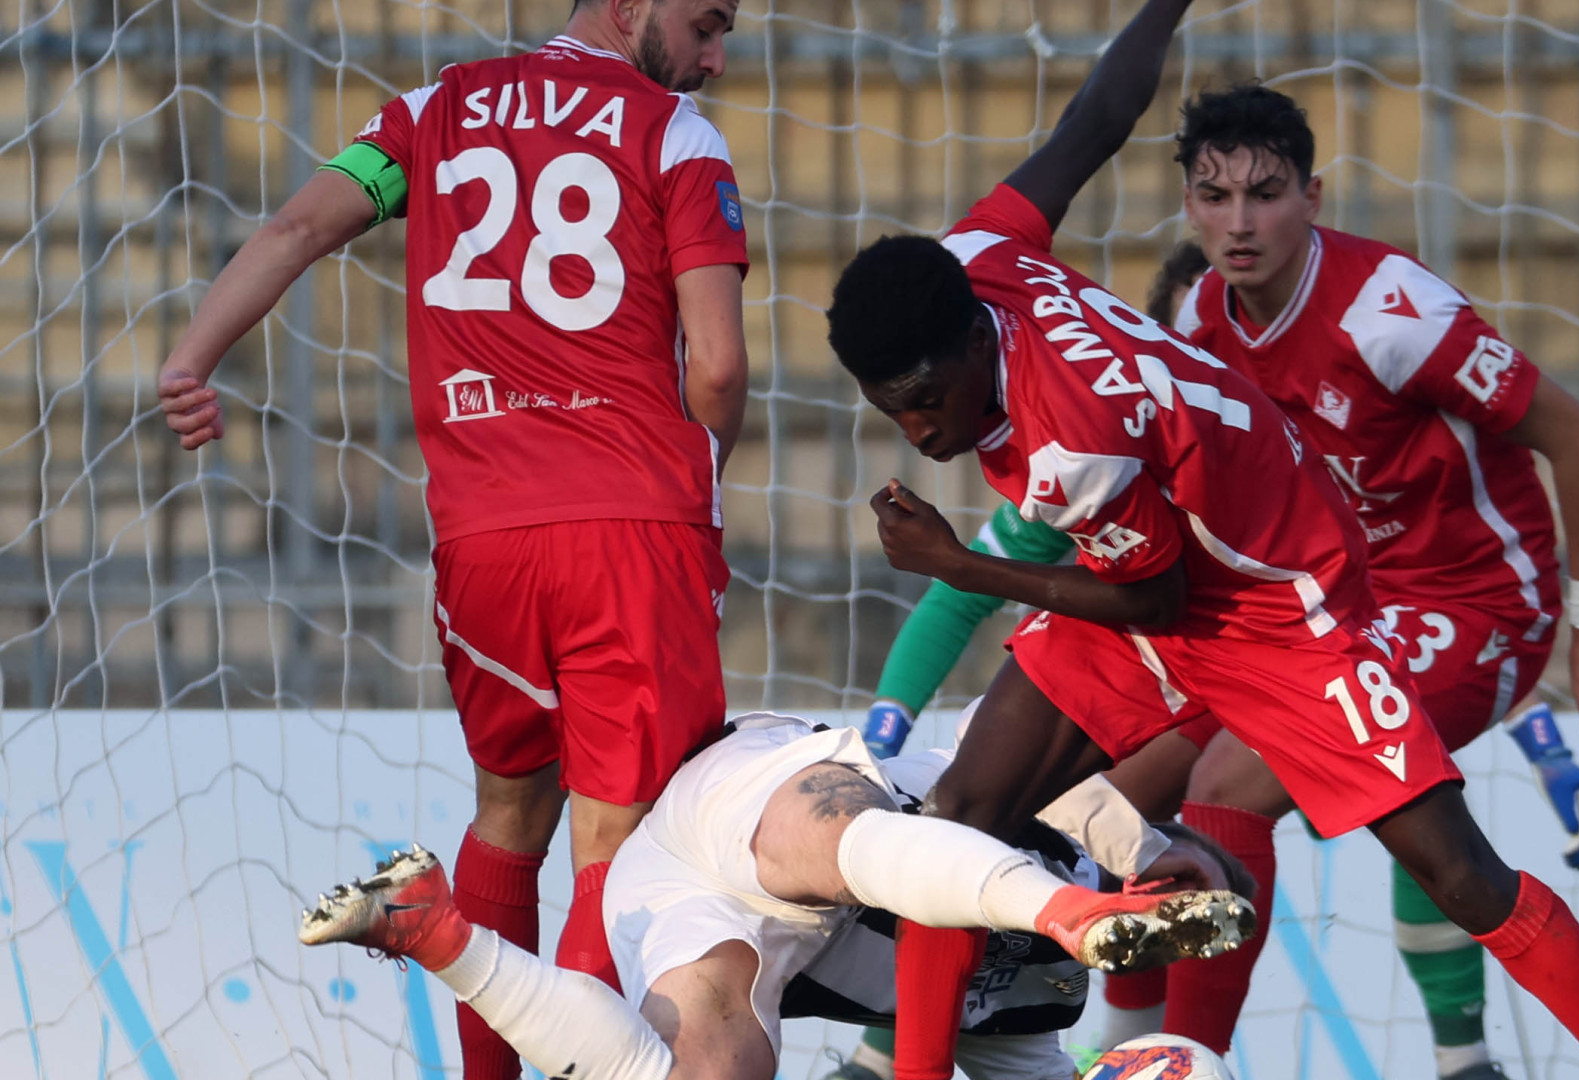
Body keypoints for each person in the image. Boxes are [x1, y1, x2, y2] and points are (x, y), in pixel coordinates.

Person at [822, 0, 1579, 1076]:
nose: (916, 432)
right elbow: (1095, 120)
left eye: (923, 402)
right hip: (1192, 578)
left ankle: (1576, 1065)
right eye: (1214, 197)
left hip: (1308, 609)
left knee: (1447, 867)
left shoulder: (1112, 418)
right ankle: (1042, 1047)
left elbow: (1154, 602)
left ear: (1310, 199)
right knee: (966, 816)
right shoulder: (992, 259)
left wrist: (956, 564)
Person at [159, 0, 750, 1074]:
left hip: (480, 542)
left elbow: (296, 228)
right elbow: (714, 367)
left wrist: (191, 359)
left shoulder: (429, 116)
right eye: (707, 25)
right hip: (629, 534)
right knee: (613, 855)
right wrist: (701, 482)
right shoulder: (674, 135)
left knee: (508, 817)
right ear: (628, 6)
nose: (714, 59)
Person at [1152, 84, 1579, 1075]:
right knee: (1136, 778)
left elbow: (1576, 437)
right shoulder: (1200, 315)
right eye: (1215, 196)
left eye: (1266, 193)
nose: (1240, 223)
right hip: (1337, 610)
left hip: (1479, 602)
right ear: (1189, 204)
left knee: (1228, 785)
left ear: (1313, 195)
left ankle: (1185, 1056)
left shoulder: (1390, 312)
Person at [297, 709, 1255, 1080]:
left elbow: (1025, 1068)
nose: (1182, 929)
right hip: (763, 798)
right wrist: (1148, 845)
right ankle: (1067, 916)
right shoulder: (1092, 815)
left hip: (717, 905)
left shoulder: (1041, 1023)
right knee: (847, 843)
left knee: (705, 1076)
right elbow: (942, 919)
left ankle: (437, 932)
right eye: (1184, 916)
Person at [834, 240, 1215, 1080]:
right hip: (1142, 695)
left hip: (1250, 663)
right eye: (1188, 334)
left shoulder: (1265, 448)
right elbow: (958, 596)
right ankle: (921, 1047)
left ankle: (1123, 1043)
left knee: (1186, 814)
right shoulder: (1098, 455)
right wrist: (884, 734)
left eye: (1218, 336)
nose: (1202, 352)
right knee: (990, 810)